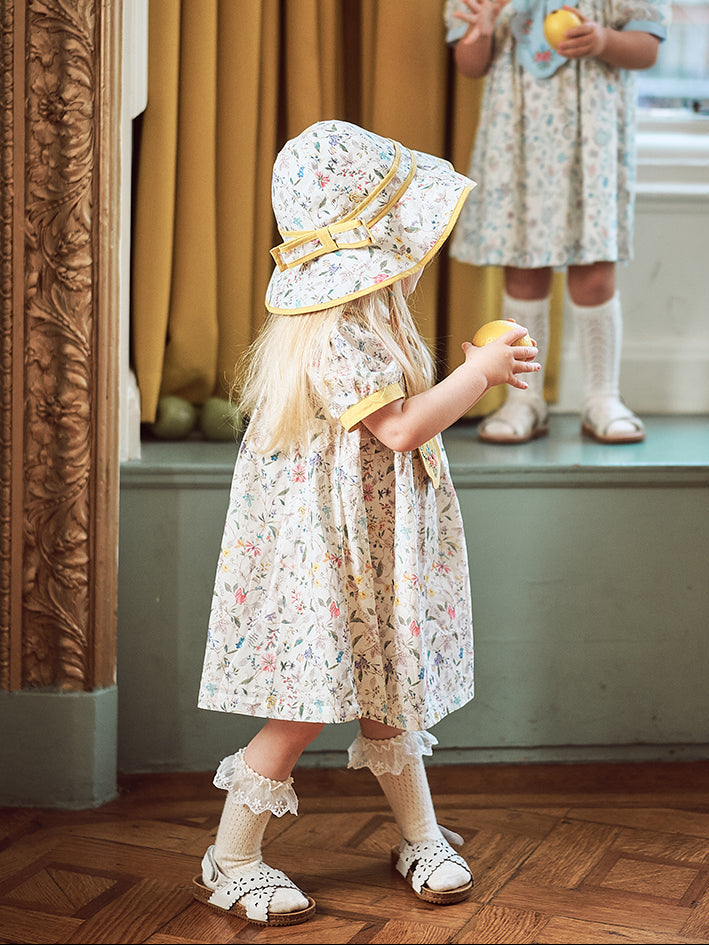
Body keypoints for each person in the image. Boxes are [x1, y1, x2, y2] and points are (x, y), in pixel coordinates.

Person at [192, 119, 540, 927]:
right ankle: (231, 857)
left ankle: (419, 834)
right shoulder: (339, 332)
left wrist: (466, 373)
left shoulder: (367, 318)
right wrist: (479, 374)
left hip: (369, 544)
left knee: (389, 690)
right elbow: (401, 428)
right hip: (330, 550)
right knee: (304, 705)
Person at [444, 0, 670, 444]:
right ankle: (524, 400)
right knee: (523, 273)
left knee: (595, 274)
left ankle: (603, 397)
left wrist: (603, 40)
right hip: (516, 139)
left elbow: (646, 48)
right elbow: (470, 65)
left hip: (593, 141)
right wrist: (482, 30)